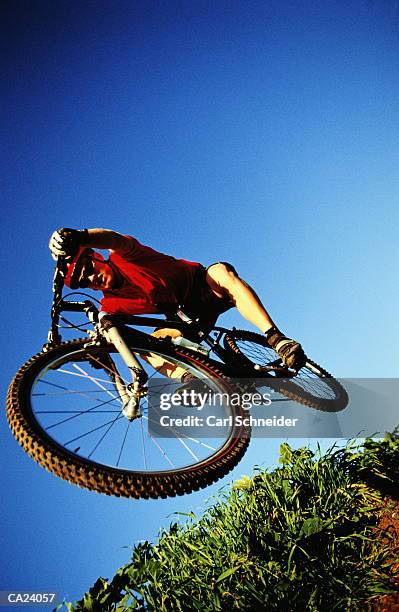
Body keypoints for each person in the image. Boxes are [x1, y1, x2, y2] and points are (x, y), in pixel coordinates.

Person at [49, 227, 306, 379]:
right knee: (144, 343)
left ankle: (276, 339)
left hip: (202, 286)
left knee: (220, 273)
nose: (92, 278)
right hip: (183, 316)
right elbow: (110, 335)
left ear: (97, 257)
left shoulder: (124, 256)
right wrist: (91, 356)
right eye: (85, 281)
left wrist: (80, 237)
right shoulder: (111, 303)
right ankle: (190, 381)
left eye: (89, 268)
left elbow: (113, 238)